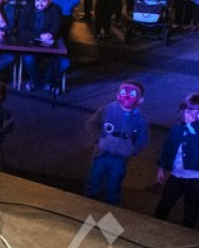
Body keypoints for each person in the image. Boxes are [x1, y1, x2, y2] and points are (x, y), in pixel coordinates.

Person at [85, 81, 149, 206]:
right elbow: (92, 123)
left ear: (140, 99)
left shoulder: (140, 118)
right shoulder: (107, 109)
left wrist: (133, 150)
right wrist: (99, 138)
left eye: (132, 94)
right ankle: (88, 204)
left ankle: (112, 208)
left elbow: (143, 137)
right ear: (118, 95)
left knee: (115, 182)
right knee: (95, 178)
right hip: (101, 153)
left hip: (121, 157)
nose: (126, 97)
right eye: (123, 93)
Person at [154, 93, 199, 228]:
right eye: (189, 111)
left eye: (196, 112)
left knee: (192, 208)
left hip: (195, 178)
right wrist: (161, 168)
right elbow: (168, 148)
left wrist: (191, 126)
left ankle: (186, 232)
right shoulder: (177, 129)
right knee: (165, 202)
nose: (192, 114)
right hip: (176, 175)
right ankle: (154, 225)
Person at [18, 0, 68, 92]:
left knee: (64, 62)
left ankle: (40, 83)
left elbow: (55, 29)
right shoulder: (28, 8)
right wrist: (39, 35)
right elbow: (21, 30)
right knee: (28, 59)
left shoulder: (56, 9)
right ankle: (44, 85)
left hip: (49, 42)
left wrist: (51, 34)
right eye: (38, 0)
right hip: (31, 41)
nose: (40, 3)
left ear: (50, 1)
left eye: (44, 1)